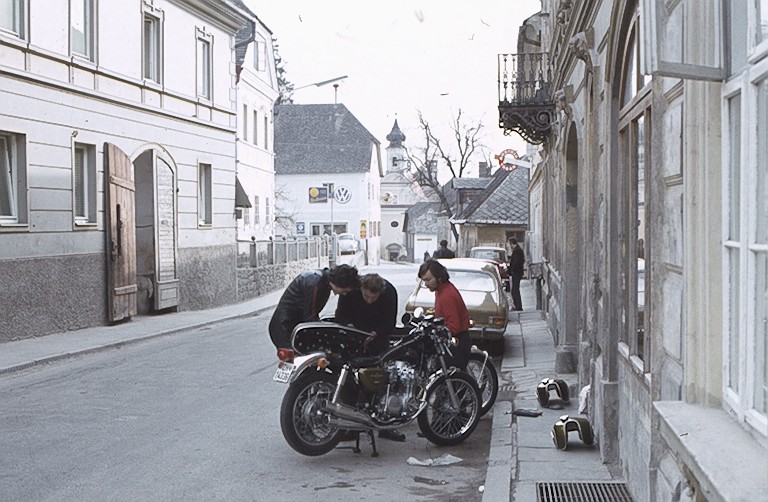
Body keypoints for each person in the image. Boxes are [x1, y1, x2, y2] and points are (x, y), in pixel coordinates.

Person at [335, 273, 405, 442]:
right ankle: (352, 425)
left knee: (381, 379)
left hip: (377, 337)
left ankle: (384, 423)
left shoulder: (389, 294)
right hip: (354, 336)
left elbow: (389, 322)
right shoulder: (352, 292)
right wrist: (350, 328)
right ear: (362, 289)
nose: (369, 300)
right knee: (351, 382)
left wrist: (376, 334)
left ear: (380, 292)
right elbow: (340, 314)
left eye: (374, 297)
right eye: (366, 295)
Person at [269, 264, 360, 350]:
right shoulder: (315, 283)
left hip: (294, 326)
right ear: (338, 283)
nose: (344, 294)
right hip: (285, 327)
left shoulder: (323, 282)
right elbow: (311, 318)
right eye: (344, 291)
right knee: (298, 360)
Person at [418, 259, 471, 370]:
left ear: (439, 278)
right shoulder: (441, 290)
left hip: (456, 343)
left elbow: (454, 327)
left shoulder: (447, 295)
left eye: (428, 280)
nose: (426, 284)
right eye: (424, 281)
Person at [508, 237, 525, 311]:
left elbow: (516, 262)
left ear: (512, 243)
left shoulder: (517, 250)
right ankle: (517, 305)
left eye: (510, 243)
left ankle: (518, 306)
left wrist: (512, 270)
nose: (509, 245)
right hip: (517, 272)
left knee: (515, 290)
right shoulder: (518, 250)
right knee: (514, 290)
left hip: (516, 273)